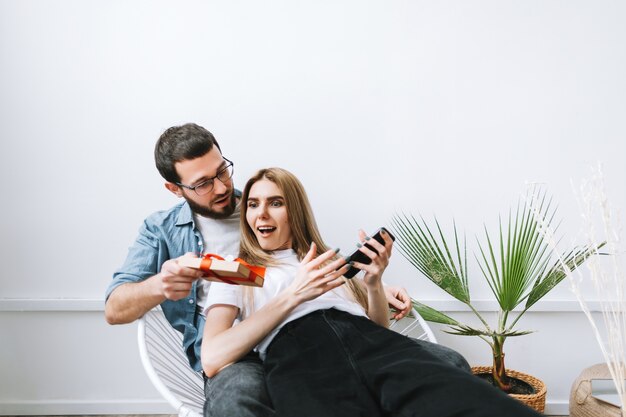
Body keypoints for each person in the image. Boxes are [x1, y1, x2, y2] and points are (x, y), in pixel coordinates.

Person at [105, 123, 459, 417]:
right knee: (238, 399)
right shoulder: (163, 231)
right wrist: (161, 285)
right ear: (174, 189)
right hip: (238, 349)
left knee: (444, 365)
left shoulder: (260, 201)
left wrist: (374, 286)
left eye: (223, 171)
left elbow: (308, 271)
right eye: (203, 184)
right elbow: (116, 308)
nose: (223, 187)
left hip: (319, 330)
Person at [200, 167, 543, 417]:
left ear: (295, 212)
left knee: (476, 403)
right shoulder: (236, 267)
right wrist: (294, 295)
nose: (260, 213)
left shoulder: (328, 261)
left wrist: (374, 283)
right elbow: (213, 357)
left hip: (374, 345)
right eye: (253, 204)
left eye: (275, 203)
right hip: (297, 356)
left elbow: (377, 329)